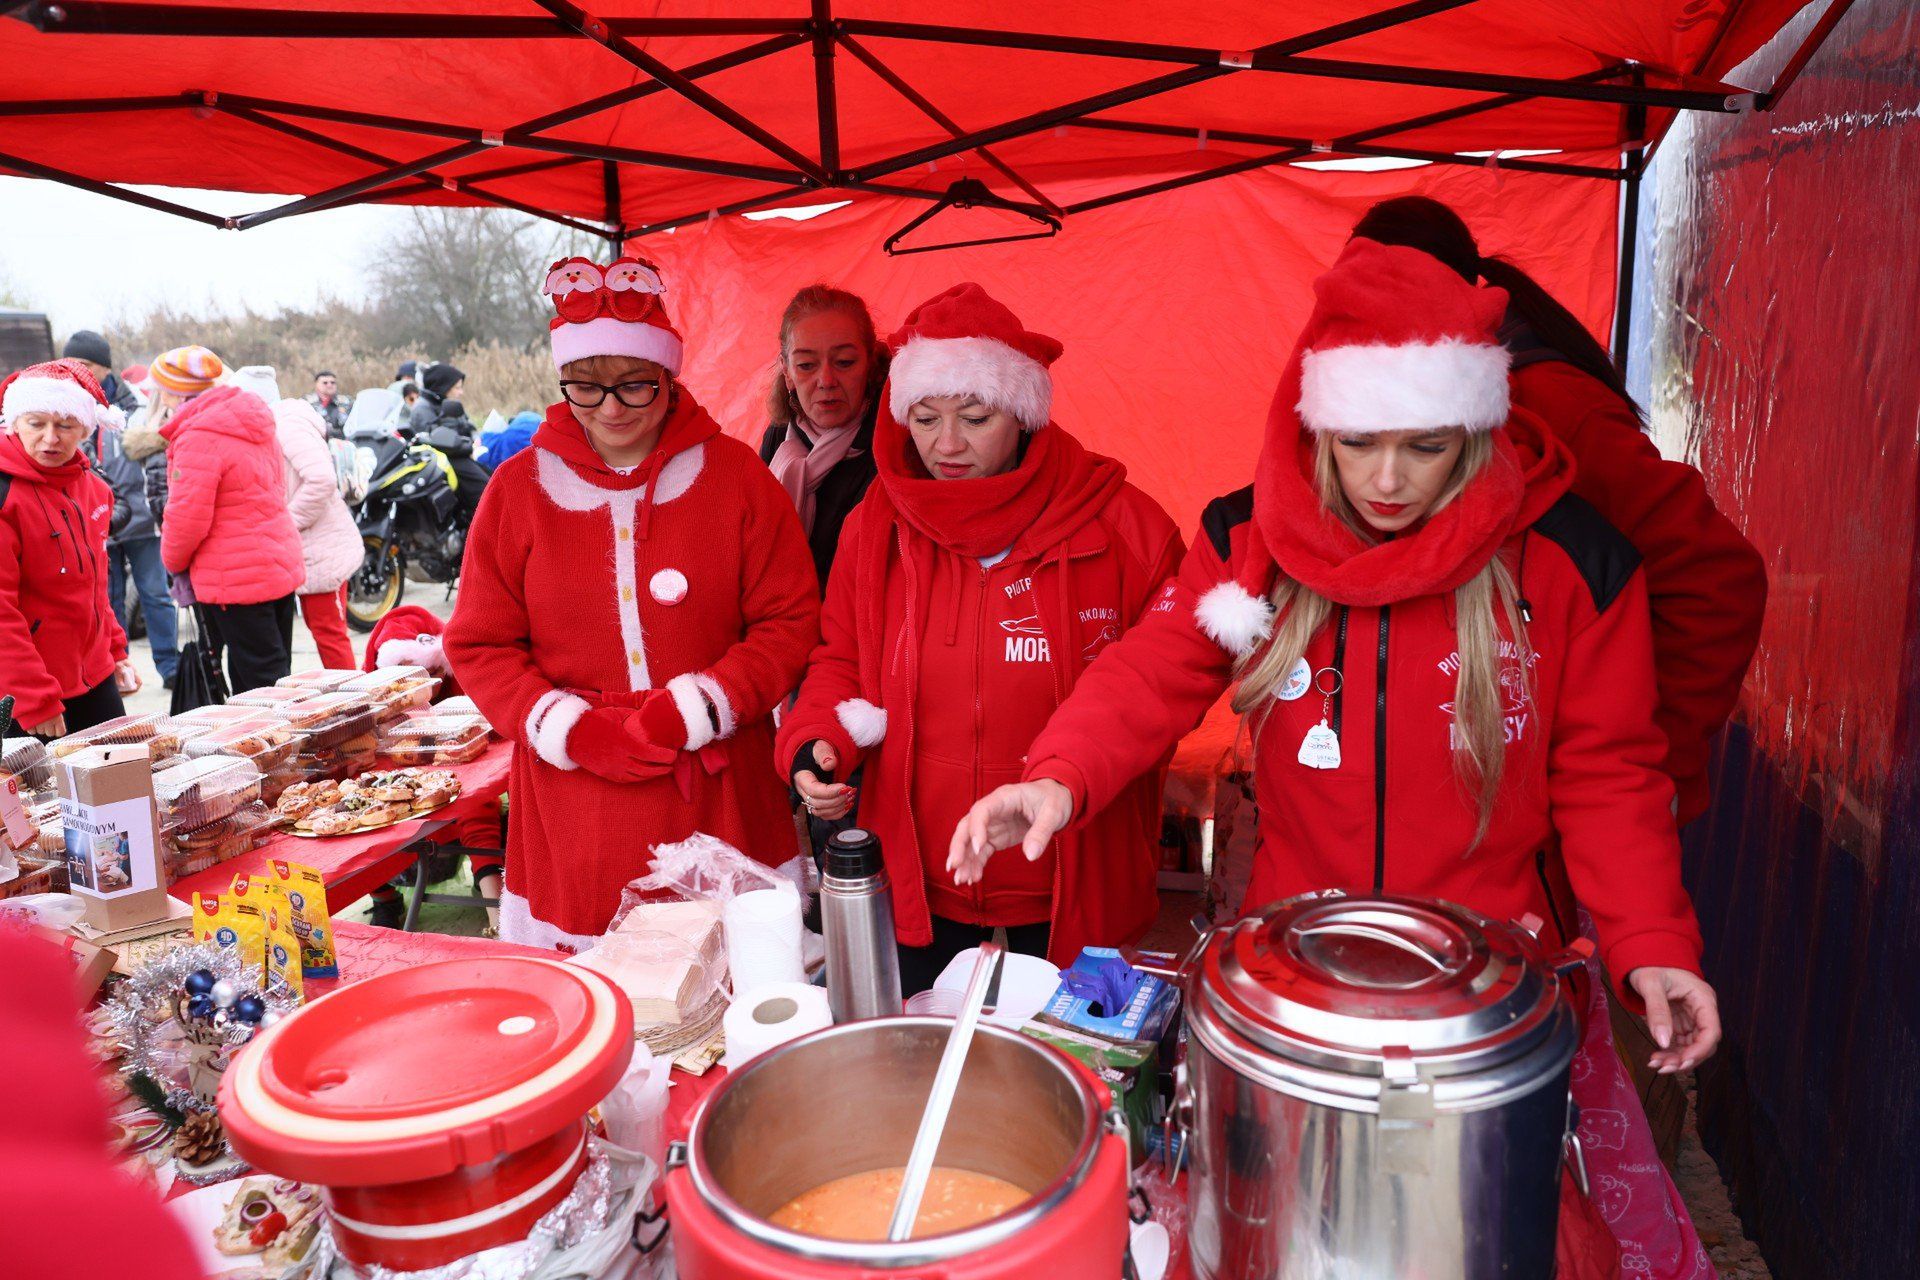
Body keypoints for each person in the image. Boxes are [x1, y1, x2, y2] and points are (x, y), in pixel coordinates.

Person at [953, 242, 1719, 1117]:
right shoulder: (1252, 536)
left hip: (1489, 980)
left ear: (1472, 431)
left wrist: (1650, 938)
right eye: (1357, 444)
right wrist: (1058, 775)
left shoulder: (1572, 561)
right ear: (1317, 429)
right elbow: (1150, 668)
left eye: (1424, 447)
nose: (1387, 482)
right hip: (1296, 965)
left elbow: (1610, 775)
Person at [775, 284, 1183, 991]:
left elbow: (1165, 684)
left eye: (976, 416)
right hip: (922, 876)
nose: (948, 445)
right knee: (919, 1067)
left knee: (1064, 1083)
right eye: (926, 419)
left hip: (1070, 869)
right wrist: (816, 742)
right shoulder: (878, 522)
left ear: (1023, 414)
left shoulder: (1122, 527)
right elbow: (840, 655)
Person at [1351, 196, 1767, 826]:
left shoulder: (1548, 401)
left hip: (1560, 796)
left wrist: (1656, 763)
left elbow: (1716, 576)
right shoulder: (1436, 400)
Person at [444, 255, 820, 950]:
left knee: (730, 979)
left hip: (717, 787)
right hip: (576, 797)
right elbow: (479, 642)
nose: (611, 409)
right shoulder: (518, 489)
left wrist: (698, 708)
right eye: (585, 388)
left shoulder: (737, 477)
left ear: (669, 377)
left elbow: (790, 620)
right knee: (599, 997)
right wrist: (570, 728)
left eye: (634, 387)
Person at [0, 360, 140, 737]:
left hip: (94, 677)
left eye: (64, 425)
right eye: (36, 423)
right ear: (14, 422)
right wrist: (33, 698)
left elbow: (95, 585)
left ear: (85, 428)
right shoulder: (5, 497)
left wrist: (115, 652)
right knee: (36, 796)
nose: (50, 438)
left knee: (119, 790)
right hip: (23, 692)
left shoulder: (95, 490)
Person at [158, 386, 306, 692]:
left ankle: (276, 739)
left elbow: (186, 519)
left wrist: (173, 561)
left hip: (236, 576)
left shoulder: (199, 435)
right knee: (272, 671)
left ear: (176, 394)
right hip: (276, 560)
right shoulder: (253, 421)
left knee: (265, 686)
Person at [64, 332, 178, 689]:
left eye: (84, 365)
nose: (77, 371)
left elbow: (158, 461)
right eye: (72, 364)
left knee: (155, 594)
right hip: (99, 522)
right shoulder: (70, 407)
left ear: (104, 367)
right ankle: (119, 669)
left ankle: (170, 667)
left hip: (143, 521)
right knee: (107, 600)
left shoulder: (139, 408)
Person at [758, 285, 888, 591]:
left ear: (870, 364)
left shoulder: (893, 443)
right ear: (787, 372)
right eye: (806, 365)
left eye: (844, 362)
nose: (826, 381)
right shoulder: (781, 434)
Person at [272, 399, 362, 670]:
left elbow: (321, 480)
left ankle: (354, 706)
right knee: (325, 631)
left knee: (330, 635)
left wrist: (286, 521)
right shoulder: (287, 424)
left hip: (320, 548)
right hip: (311, 547)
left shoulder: (288, 428)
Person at [123, 345, 225, 537]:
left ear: (179, 392)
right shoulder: (213, 424)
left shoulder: (191, 434)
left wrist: (172, 552)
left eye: (163, 390)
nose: (160, 397)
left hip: (192, 541)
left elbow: (188, 511)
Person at [409, 362, 463, 432]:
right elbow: (433, 438)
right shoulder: (422, 409)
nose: (461, 392)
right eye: (457, 388)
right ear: (443, 387)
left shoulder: (450, 405)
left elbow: (469, 428)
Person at [305, 370, 352, 438]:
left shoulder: (346, 402)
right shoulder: (307, 403)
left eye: (332, 383)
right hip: (317, 441)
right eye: (325, 383)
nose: (329, 385)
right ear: (316, 384)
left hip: (343, 441)